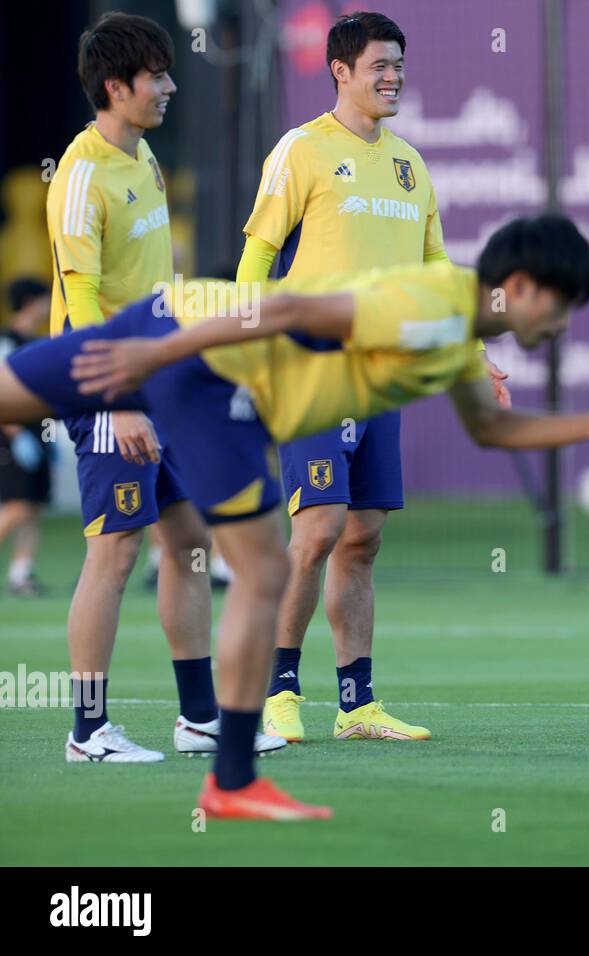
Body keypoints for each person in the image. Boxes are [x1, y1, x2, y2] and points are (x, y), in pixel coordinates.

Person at [0, 213, 589, 820]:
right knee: (260, 574)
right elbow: (285, 306)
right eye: (563, 305)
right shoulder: (429, 310)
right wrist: (160, 360)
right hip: (204, 370)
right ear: (521, 287)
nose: (565, 323)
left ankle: (220, 761)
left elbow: (490, 425)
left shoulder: (455, 325)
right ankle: (231, 784)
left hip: (169, 323)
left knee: (12, 395)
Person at [238, 10, 509, 745]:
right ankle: (278, 692)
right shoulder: (302, 150)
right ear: (341, 72)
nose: (393, 77)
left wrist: (476, 351)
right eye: (379, 67)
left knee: (364, 539)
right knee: (318, 527)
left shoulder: (410, 164)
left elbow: (432, 273)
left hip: (381, 377)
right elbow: (257, 258)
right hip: (311, 366)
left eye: (399, 66)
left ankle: (356, 705)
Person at [47, 12, 281, 763]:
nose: (172, 87)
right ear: (117, 87)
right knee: (114, 553)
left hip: (161, 380)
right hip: (106, 385)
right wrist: (115, 401)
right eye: (158, 76)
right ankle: (87, 730)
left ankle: (199, 718)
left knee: (186, 546)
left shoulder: (142, 158)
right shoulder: (81, 173)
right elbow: (79, 298)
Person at [0, 279, 54, 596]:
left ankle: (21, 574)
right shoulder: (7, 338)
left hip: (37, 431)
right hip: (12, 433)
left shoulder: (38, 340)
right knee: (16, 506)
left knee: (33, 506)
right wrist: (15, 433)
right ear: (31, 302)